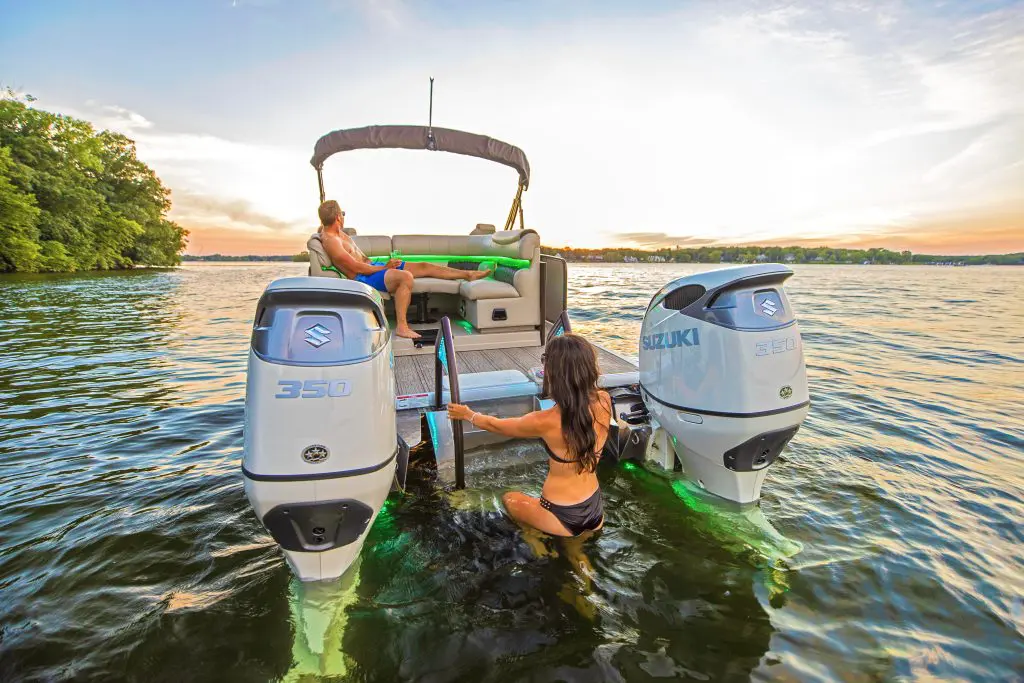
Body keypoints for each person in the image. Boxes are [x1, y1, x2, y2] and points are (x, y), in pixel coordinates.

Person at [447, 333, 611, 537]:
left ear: (553, 373)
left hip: (559, 513)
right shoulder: (605, 400)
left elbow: (496, 425)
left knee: (509, 498)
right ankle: (575, 551)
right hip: (594, 508)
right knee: (575, 542)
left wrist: (468, 414)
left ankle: (536, 542)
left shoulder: (545, 421)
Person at [317, 200, 491, 340]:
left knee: (424, 266)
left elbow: (358, 257)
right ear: (338, 217)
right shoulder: (332, 242)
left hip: (372, 266)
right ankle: (402, 326)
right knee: (405, 277)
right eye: (343, 214)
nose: (344, 217)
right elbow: (356, 267)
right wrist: (385, 267)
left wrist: (383, 264)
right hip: (363, 276)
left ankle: (468, 275)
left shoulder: (337, 232)